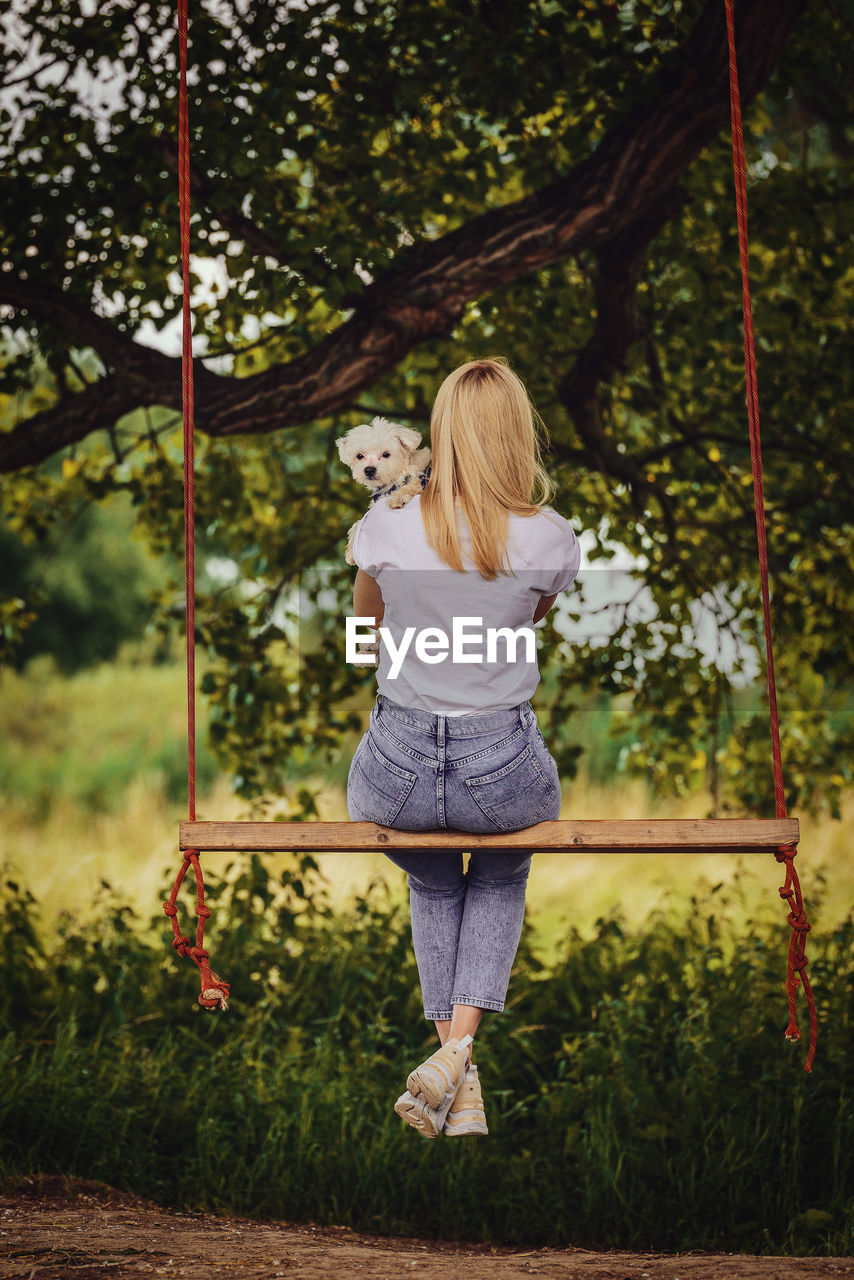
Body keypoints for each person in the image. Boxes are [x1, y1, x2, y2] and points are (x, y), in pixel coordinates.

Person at [346, 356, 581, 1139]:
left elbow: (362, 633)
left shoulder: (383, 523)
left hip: (398, 770)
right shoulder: (550, 535)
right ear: (520, 433)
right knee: (504, 866)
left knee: (436, 881)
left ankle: (453, 1063)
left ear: (438, 435)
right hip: (500, 768)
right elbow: (530, 618)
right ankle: (460, 1054)